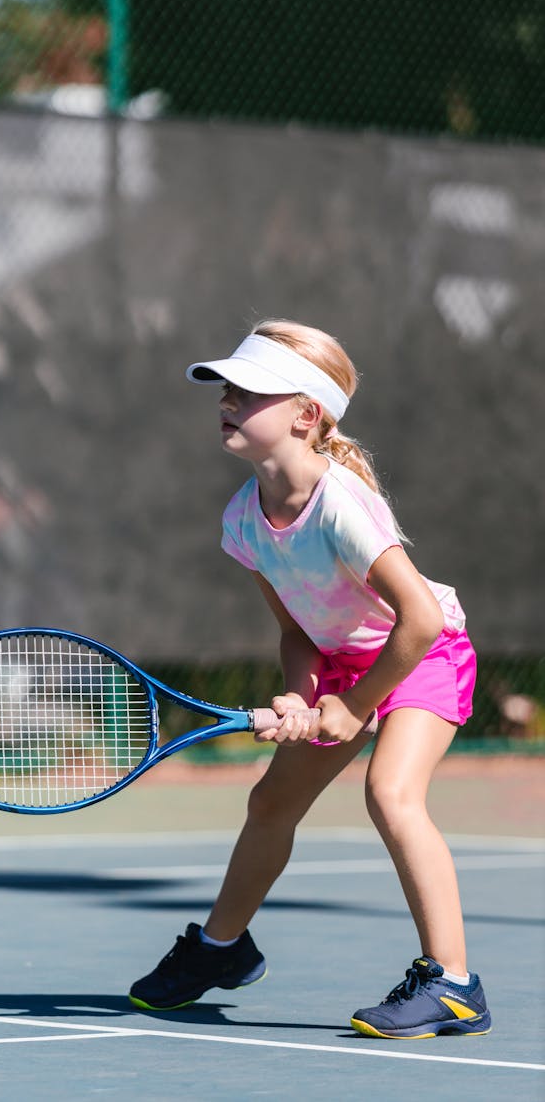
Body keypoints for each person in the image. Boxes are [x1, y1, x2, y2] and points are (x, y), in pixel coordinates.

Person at [128, 319, 491, 1040]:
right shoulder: (243, 520)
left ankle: (453, 983)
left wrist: (353, 706)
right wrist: (300, 694)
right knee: (270, 803)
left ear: (307, 414)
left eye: (250, 391)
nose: (229, 399)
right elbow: (298, 629)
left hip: (423, 650)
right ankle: (222, 949)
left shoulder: (342, 504)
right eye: (227, 389)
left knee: (390, 792)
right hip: (348, 663)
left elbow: (416, 617)